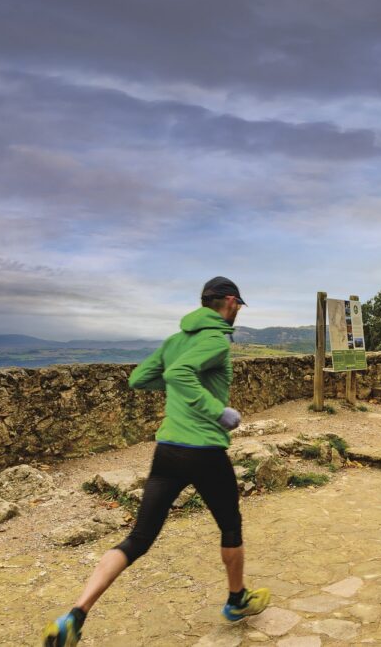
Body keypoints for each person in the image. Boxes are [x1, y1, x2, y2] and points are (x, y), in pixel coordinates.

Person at [43, 277, 270, 646]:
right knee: (230, 526)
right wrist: (218, 410)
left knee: (139, 538)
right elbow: (179, 374)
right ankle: (236, 599)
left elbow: (140, 378)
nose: (238, 312)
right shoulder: (215, 339)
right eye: (239, 306)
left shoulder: (175, 341)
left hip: (167, 451)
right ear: (230, 302)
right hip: (204, 451)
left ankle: (75, 616)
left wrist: (180, 390)